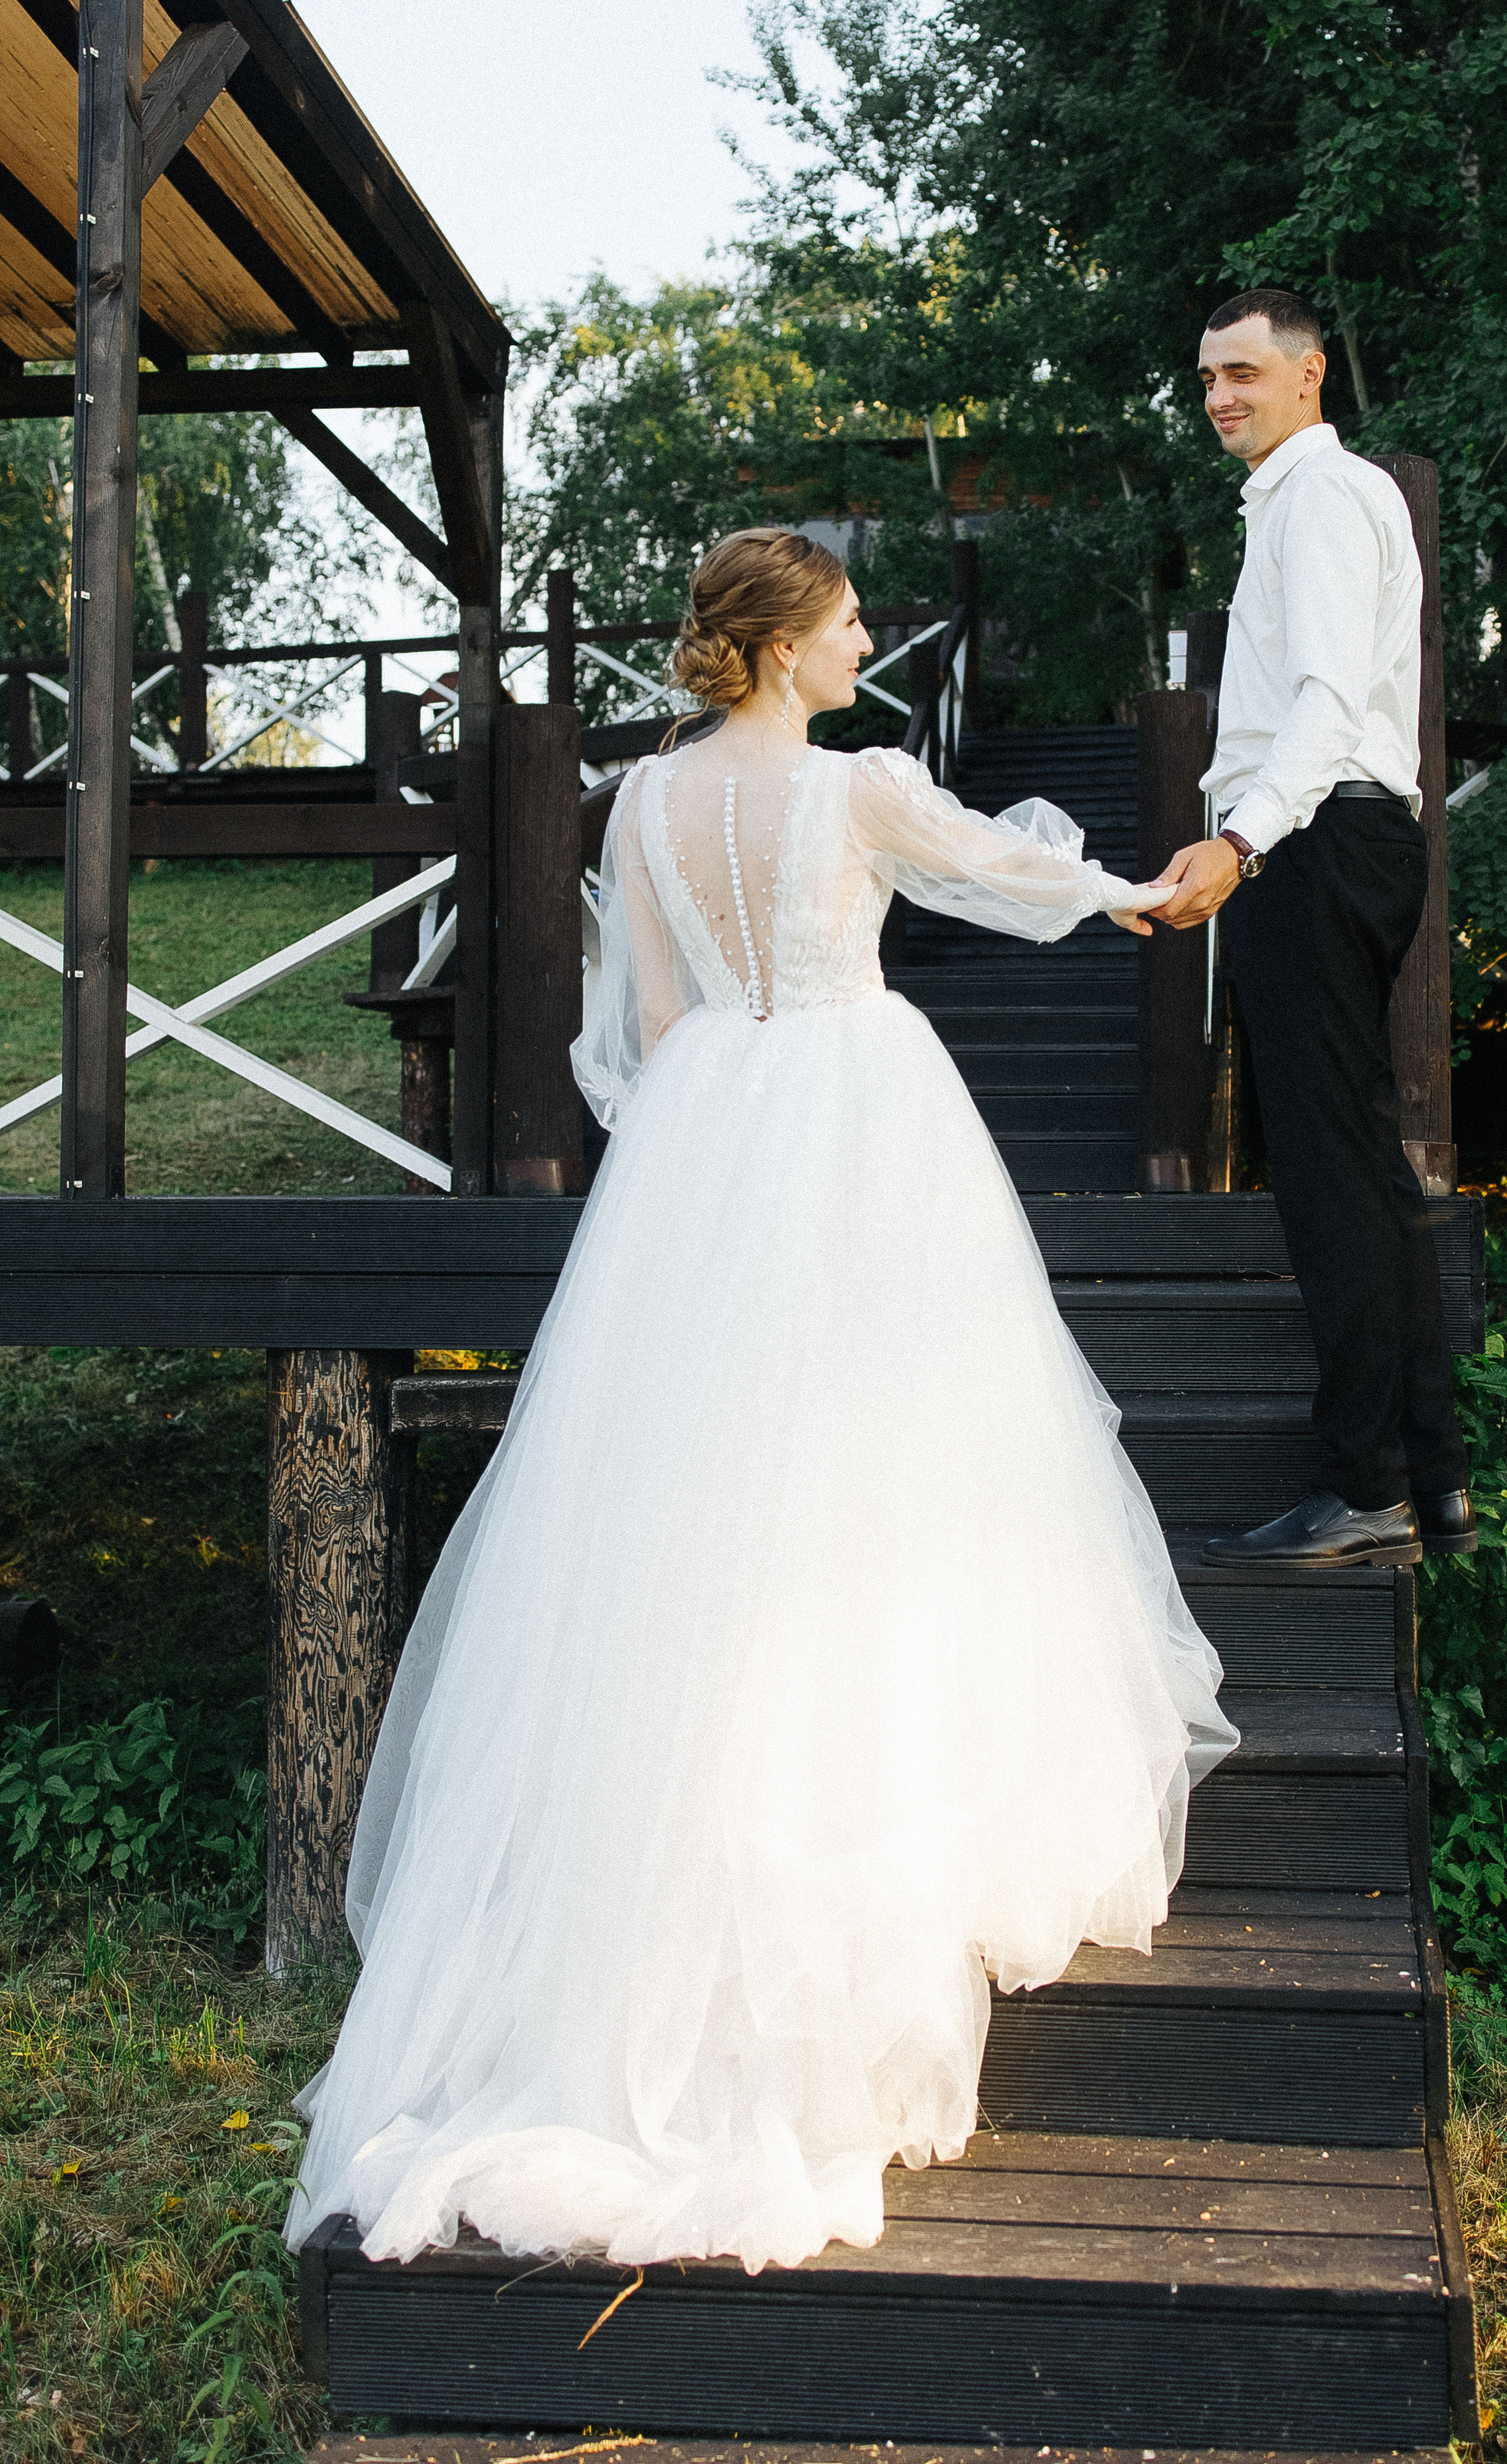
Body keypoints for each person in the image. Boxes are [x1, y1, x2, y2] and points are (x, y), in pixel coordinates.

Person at [285, 526, 1234, 2278]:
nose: (867, 638)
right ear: (787, 644)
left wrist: (702, 1175)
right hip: (857, 1113)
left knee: (685, 1495)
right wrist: (1138, 894)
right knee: (893, 1457)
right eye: (849, 618)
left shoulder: (639, 809)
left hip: (707, 1127)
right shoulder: (856, 787)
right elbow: (995, 876)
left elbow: (639, 1028)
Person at [1147, 289, 1474, 1568]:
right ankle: (1427, 1479)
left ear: (1309, 373)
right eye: (1208, 376)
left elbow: (1332, 701)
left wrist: (1242, 840)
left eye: (1243, 371)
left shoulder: (1326, 499)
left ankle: (1368, 1483)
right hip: (1336, 835)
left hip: (1318, 837)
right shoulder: (1292, 502)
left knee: (1332, 1175)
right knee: (1360, 1164)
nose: (1221, 394)